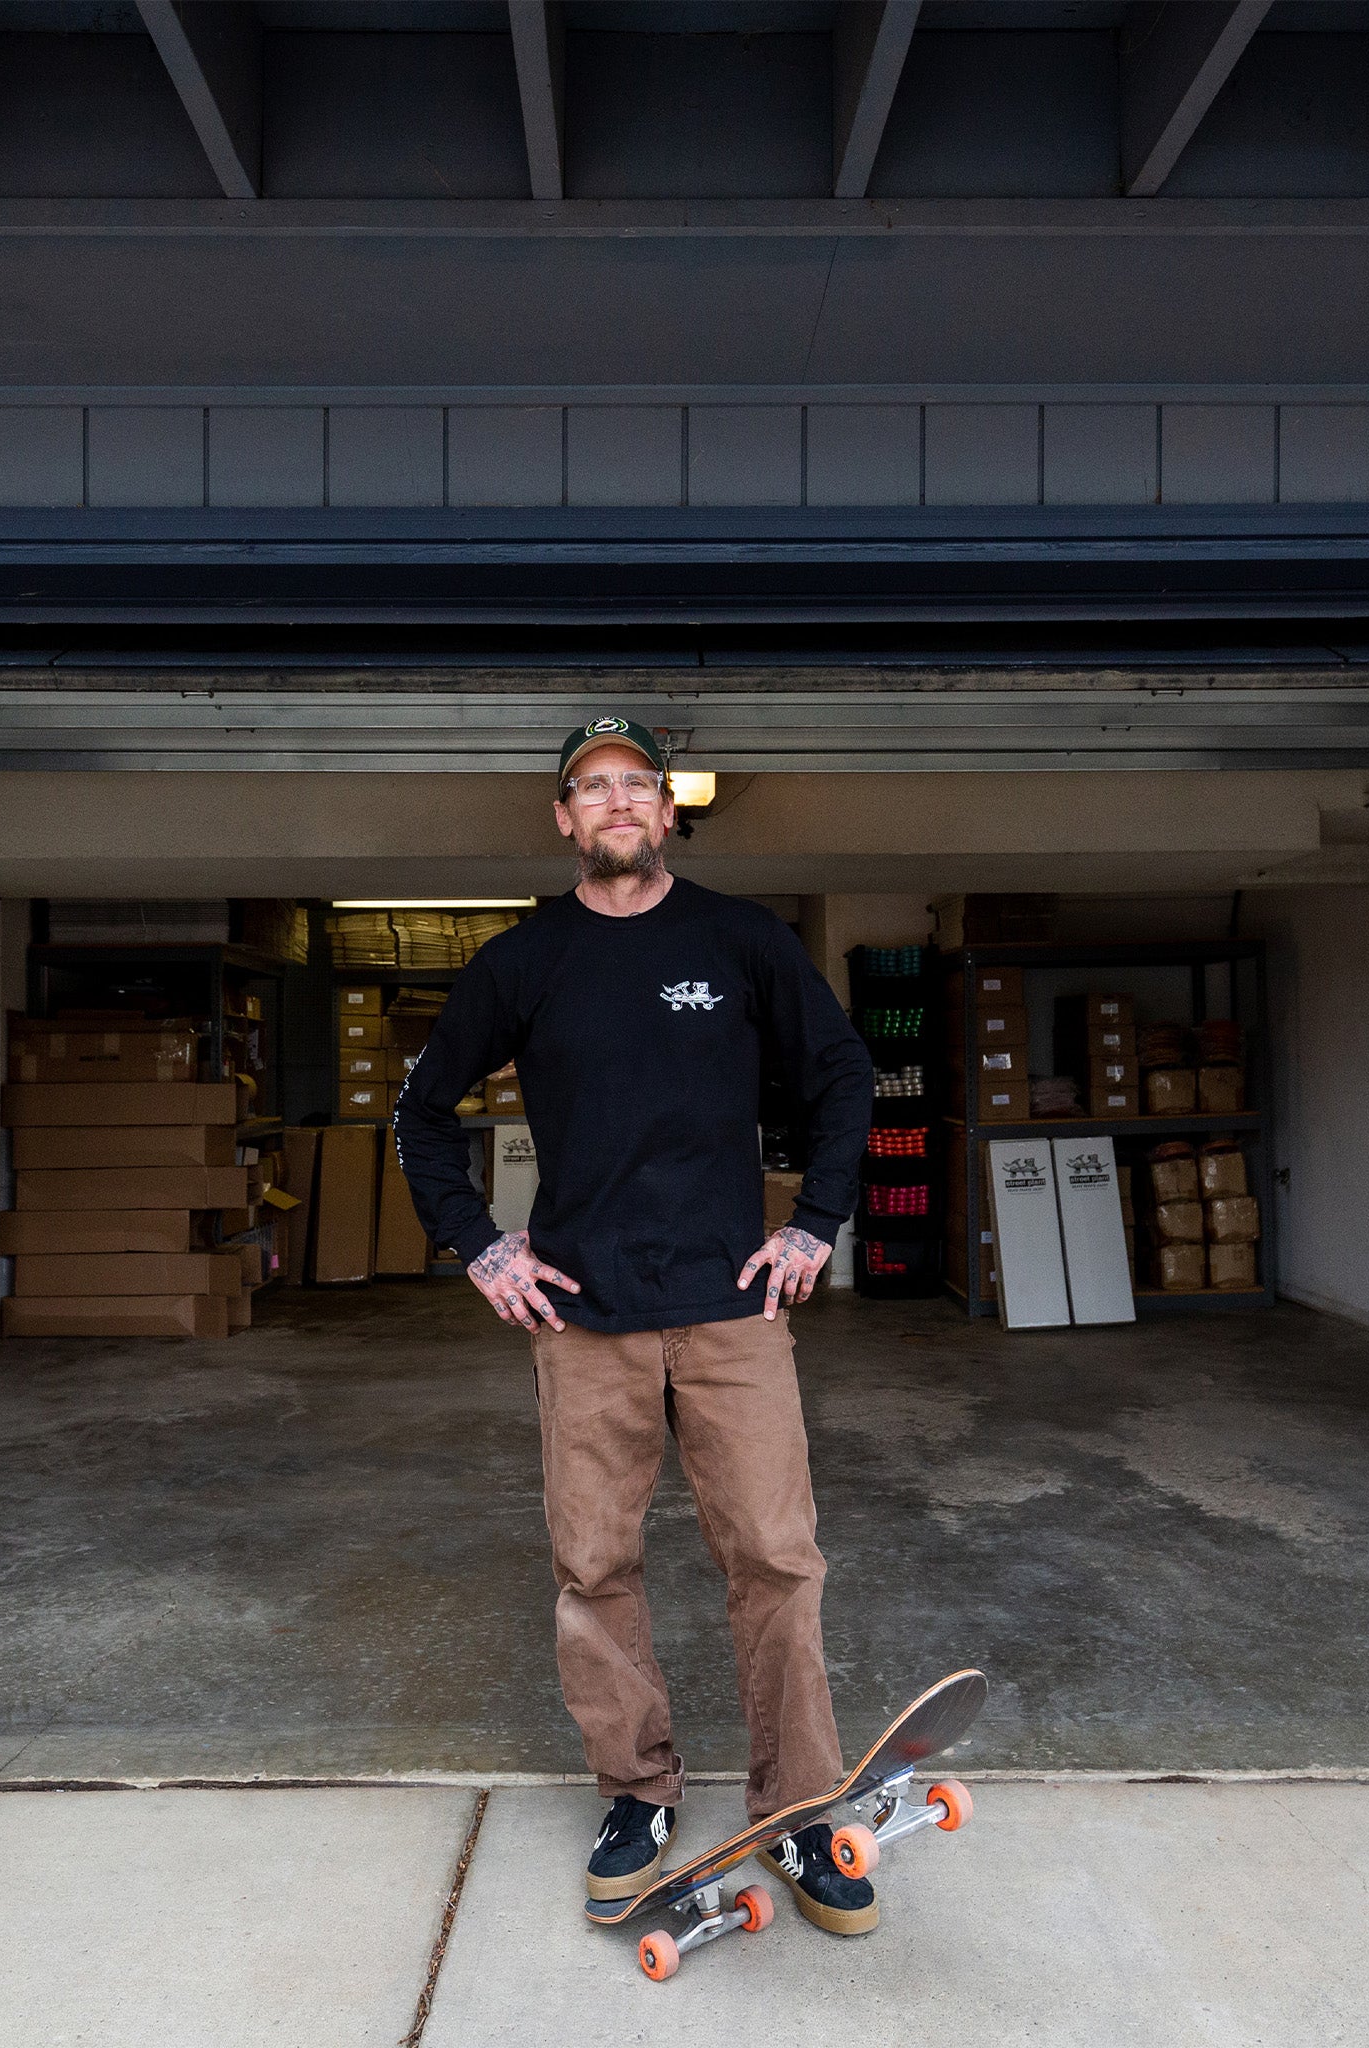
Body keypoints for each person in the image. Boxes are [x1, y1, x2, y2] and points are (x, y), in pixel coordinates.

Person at [394, 715, 879, 1936]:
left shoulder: (739, 938)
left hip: (731, 1306)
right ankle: (638, 1790)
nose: (616, 801)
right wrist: (481, 1242)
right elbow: (420, 1106)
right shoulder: (523, 959)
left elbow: (842, 1073)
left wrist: (816, 1219)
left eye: (636, 784)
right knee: (594, 1565)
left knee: (774, 1554)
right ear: (564, 818)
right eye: (591, 787)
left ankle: (800, 1805)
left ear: (668, 810)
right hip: (584, 1314)